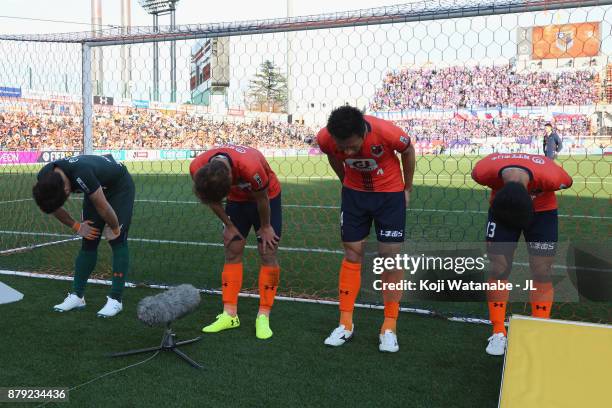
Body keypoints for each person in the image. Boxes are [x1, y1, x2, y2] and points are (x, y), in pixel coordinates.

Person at [317, 106, 415, 353]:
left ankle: (389, 326)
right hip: (354, 197)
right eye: (343, 147)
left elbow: (408, 150)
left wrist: (407, 188)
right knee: (352, 255)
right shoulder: (326, 139)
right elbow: (331, 153)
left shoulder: (386, 132)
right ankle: (345, 324)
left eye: (352, 146)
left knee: (389, 258)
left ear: (363, 133)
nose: (347, 151)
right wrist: (345, 181)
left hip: (389, 196)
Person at [471, 153, 573, 355]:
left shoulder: (551, 176)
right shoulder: (484, 171)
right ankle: (498, 329)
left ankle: (540, 327)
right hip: (501, 211)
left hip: (542, 213)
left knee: (542, 269)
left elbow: (568, 181)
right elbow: (476, 174)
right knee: (499, 267)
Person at [190, 145, 282, 340]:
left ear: (232, 178)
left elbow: (262, 198)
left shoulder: (250, 166)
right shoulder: (197, 168)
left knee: (268, 251)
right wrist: (229, 225)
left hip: (266, 197)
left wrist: (265, 227)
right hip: (237, 203)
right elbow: (211, 200)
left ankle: (263, 314)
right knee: (232, 249)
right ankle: (230, 314)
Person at [32, 154, 135, 318]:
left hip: (119, 187)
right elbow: (51, 205)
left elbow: (102, 206)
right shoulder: (45, 177)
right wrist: (77, 226)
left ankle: (116, 299)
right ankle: (77, 296)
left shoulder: (82, 174)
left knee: (117, 239)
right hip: (95, 188)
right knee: (89, 239)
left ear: (67, 190)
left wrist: (114, 227)